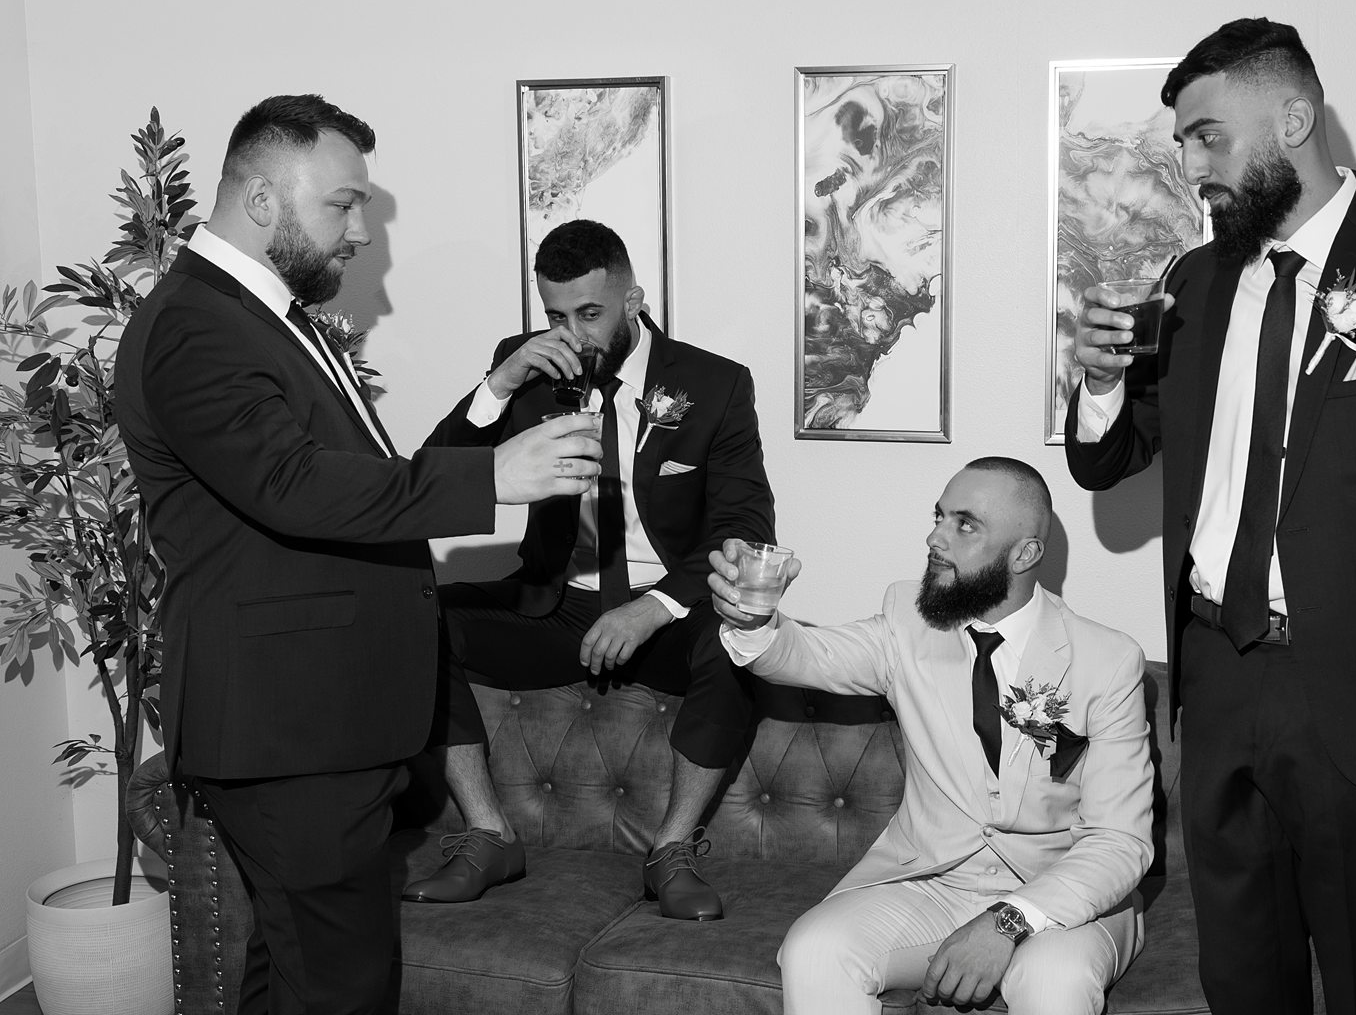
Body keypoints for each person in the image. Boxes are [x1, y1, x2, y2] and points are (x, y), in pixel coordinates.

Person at [1066, 18, 1356, 1015]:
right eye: (1184, 142)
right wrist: (1101, 382)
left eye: (1209, 136)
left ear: (1294, 116)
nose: (1192, 165)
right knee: (1241, 984)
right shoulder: (1193, 284)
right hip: (1214, 684)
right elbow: (1112, 456)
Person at [115, 94, 600, 1015]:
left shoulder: (263, 317)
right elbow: (293, 486)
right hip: (287, 730)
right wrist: (491, 479)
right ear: (262, 199)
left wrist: (486, 428)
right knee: (343, 990)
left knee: (296, 977)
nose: (361, 231)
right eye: (343, 204)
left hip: (314, 727)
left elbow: (368, 481)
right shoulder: (197, 327)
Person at [405, 219, 775, 921]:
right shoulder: (528, 366)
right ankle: (488, 834)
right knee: (419, 613)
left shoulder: (714, 383)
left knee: (735, 640)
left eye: (589, 314)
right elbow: (431, 484)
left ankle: (669, 851)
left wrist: (653, 607)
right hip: (558, 601)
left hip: (664, 609)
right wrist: (500, 381)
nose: (572, 333)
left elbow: (745, 527)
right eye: (554, 315)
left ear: (633, 300)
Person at [708, 458, 1153, 1014]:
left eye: (965, 524)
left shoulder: (1107, 661)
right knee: (814, 949)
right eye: (939, 516)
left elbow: (1120, 841)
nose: (935, 537)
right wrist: (754, 622)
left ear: (1024, 554)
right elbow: (805, 655)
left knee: (1053, 979)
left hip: (1065, 898)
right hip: (934, 884)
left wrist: (1010, 920)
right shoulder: (907, 621)